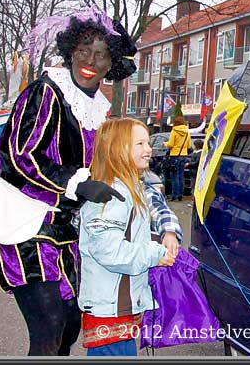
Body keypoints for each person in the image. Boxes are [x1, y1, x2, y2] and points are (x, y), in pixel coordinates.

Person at [0, 7, 182, 356]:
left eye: (101, 54)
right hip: (25, 220)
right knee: (50, 324)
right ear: (70, 51)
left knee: (71, 322)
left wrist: (165, 222)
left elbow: (119, 165)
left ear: (111, 64)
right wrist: (77, 183)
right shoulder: (46, 93)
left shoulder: (99, 109)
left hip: (65, 228)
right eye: (84, 50)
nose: (90, 60)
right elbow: (20, 155)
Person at [79, 118, 176, 356]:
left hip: (118, 310)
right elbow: (109, 251)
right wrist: (155, 254)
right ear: (118, 150)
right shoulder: (112, 194)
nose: (149, 149)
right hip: (109, 313)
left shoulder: (131, 188)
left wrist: (160, 239)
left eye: (147, 142)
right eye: (140, 143)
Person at [164, 116, 191, 201]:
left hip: (175, 155)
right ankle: (180, 195)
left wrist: (165, 144)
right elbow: (189, 146)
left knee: (174, 176)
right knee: (181, 176)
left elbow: (171, 144)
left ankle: (174, 195)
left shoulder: (174, 131)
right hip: (184, 155)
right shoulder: (187, 132)